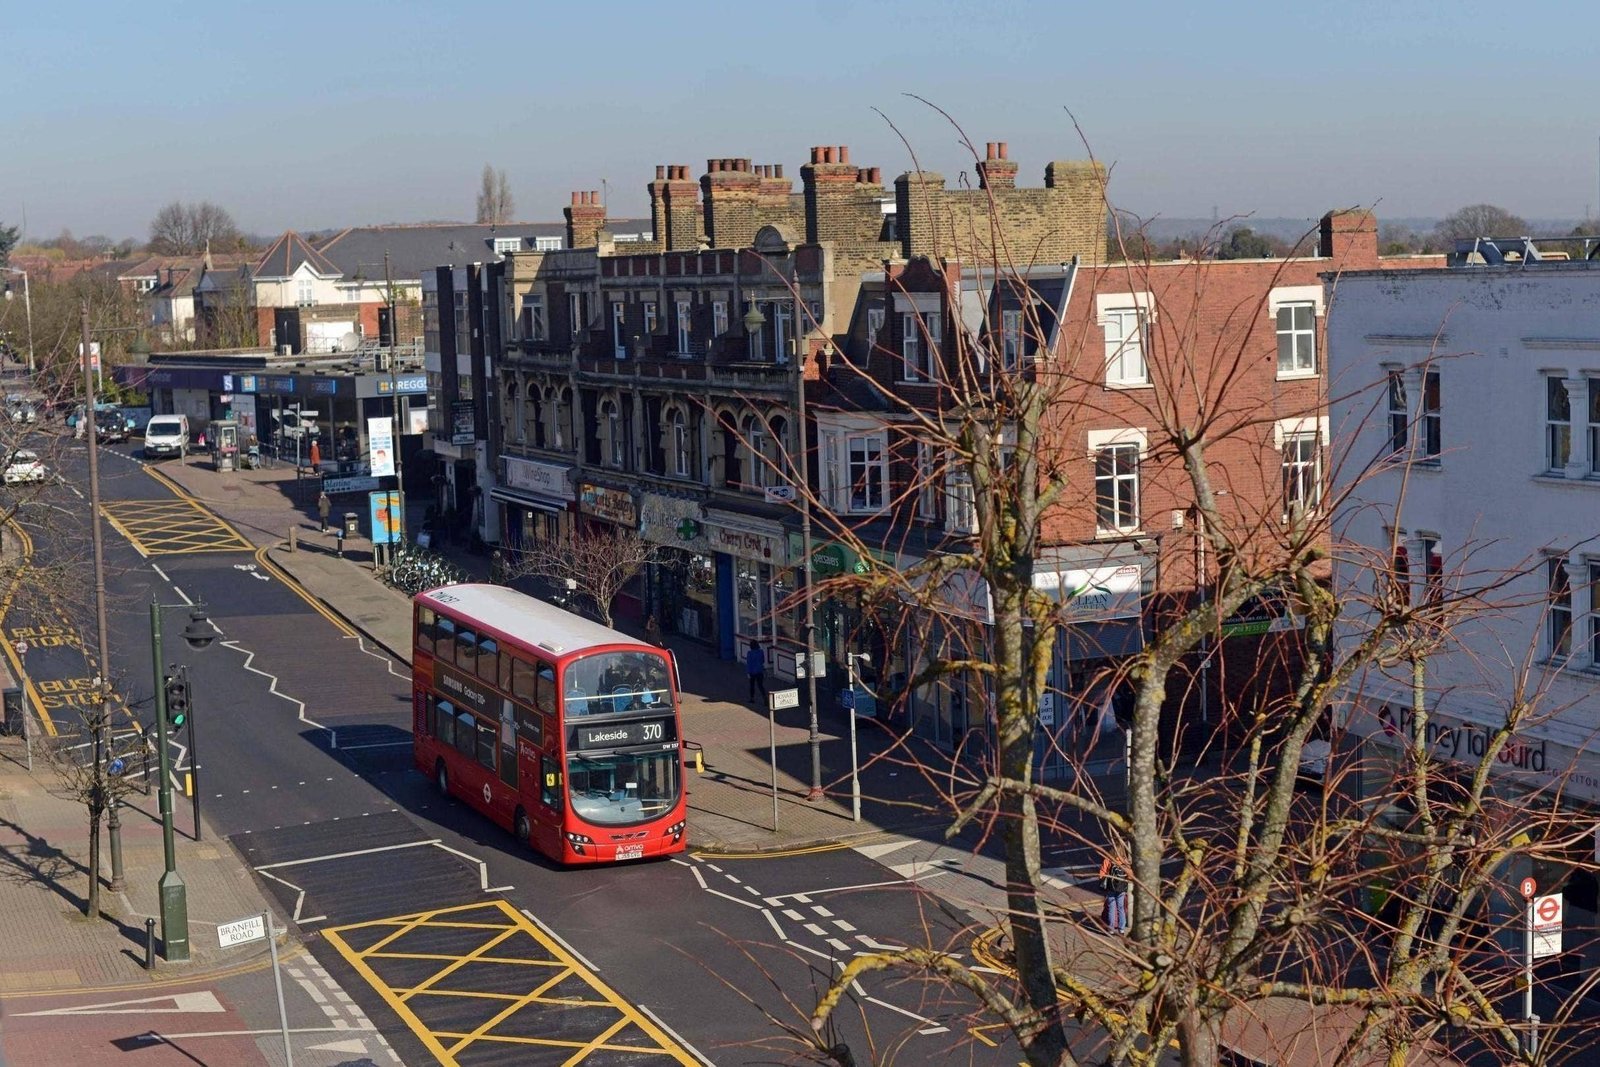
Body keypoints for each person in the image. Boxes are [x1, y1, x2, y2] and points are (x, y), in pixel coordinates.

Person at [1099, 844, 1131, 935]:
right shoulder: (1125, 861)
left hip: (1110, 888)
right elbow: (1130, 875)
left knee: (1111, 908)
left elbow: (1102, 873)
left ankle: (1111, 929)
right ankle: (1121, 929)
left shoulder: (1108, 860)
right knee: (1121, 908)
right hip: (1121, 889)